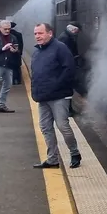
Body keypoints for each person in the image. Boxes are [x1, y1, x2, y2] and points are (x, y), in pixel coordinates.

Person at [30, 23, 81, 169]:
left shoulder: (60, 48)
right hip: (43, 96)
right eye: (35, 34)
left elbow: (69, 69)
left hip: (58, 95)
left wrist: (56, 86)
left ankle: (74, 153)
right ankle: (52, 159)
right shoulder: (37, 52)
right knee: (45, 127)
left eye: (40, 33)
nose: (37, 36)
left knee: (62, 125)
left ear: (50, 33)